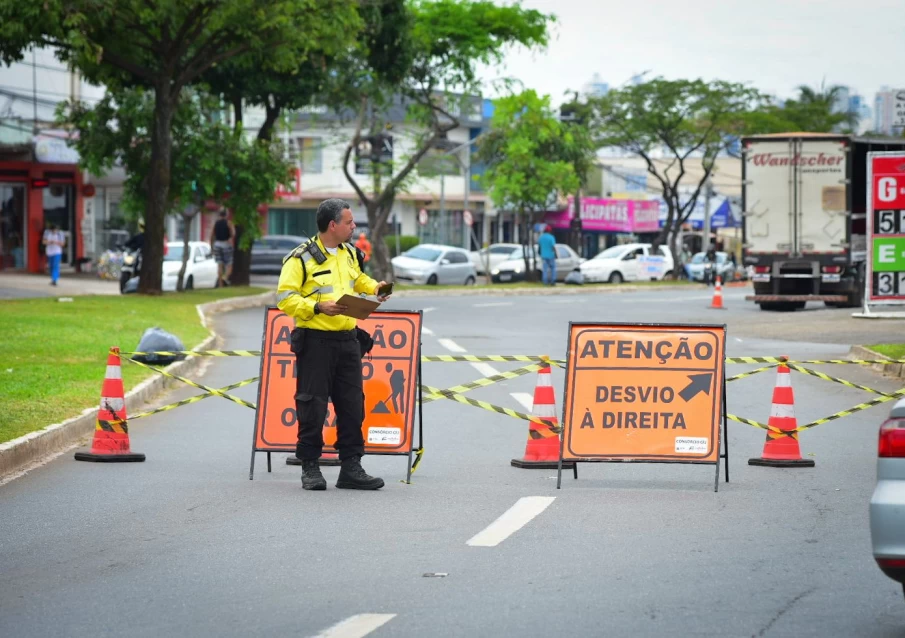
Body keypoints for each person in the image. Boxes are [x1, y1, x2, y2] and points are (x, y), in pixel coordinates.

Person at [277, 198, 393, 491]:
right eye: (349, 222)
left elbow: (357, 280)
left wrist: (375, 287)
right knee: (312, 405)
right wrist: (318, 307)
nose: (354, 226)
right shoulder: (300, 258)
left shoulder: (350, 254)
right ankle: (310, 466)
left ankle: (351, 466)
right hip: (316, 341)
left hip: (348, 340)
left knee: (353, 405)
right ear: (333, 225)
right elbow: (285, 298)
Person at [210, 209, 235, 286]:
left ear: (219, 215)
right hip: (226, 244)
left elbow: (212, 235)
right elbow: (233, 233)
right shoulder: (228, 223)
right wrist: (230, 237)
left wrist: (212, 247)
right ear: (226, 215)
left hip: (217, 244)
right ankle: (225, 277)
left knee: (219, 264)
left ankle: (220, 284)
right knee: (229, 264)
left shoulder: (216, 223)